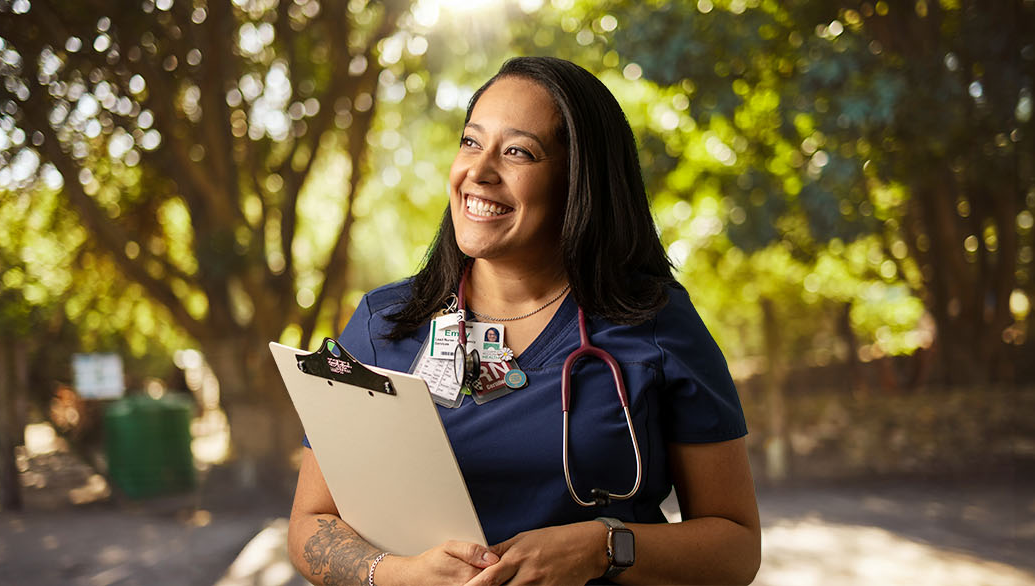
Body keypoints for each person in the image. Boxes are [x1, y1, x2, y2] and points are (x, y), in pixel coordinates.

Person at [287, 56, 759, 585]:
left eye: (518, 152)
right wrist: (395, 575)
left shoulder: (655, 324)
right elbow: (311, 525)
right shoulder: (383, 324)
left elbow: (736, 547)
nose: (479, 171)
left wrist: (602, 546)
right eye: (471, 142)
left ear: (578, 179)